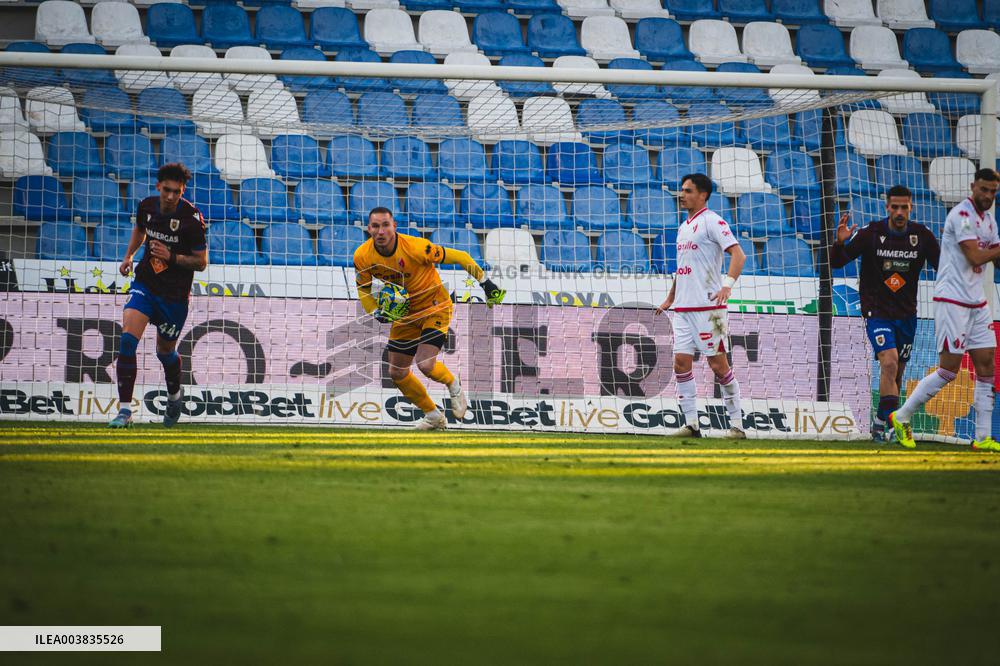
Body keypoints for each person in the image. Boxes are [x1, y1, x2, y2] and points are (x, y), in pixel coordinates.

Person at [353, 208, 506, 430]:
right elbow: (364, 289)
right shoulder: (362, 256)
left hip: (435, 306)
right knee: (397, 372)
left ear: (394, 226)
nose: (381, 231)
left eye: (385, 225)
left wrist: (486, 283)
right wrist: (375, 312)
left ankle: (453, 384)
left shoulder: (417, 247)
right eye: (375, 226)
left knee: (425, 364)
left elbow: (462, 257)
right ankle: (433, 415)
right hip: (405, 314)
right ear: (369, 229)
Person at [890, 168, 1000, 451]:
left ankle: (983, 437)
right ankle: (901, 417)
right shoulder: (961, 216)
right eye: (984, 189)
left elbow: (996, 260)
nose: (988, 195)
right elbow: (975, 256)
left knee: (987, 364)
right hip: (952, 301)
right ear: (973, 186)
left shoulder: (989, 221)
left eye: (993, 191)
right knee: (949, 370)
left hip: (977, 301)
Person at [830, 185, 940, 441]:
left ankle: (881, 422)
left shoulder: (922, 236)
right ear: (887, 207)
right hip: (876, 311)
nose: (899, 212)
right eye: (895, 207)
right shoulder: (871, 233)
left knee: (897, 373)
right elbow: (837, 262)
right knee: (889, 362)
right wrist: (840, 242)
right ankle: (890, 427)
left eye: (904, 207)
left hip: (907, 314)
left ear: (911, 207)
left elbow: (942, 266)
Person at [108, 163, 207, 428]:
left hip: (174, 297)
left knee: (165, 352)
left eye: (177, 191)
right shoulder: (147, 206)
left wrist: (171, 257)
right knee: (127, 340)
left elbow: (201, 262)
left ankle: (174, 395)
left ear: (182, 191)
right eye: (167, 190)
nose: (171, 196)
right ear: (158, 187)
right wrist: (129, 255)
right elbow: (140, 229)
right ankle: (125, 411)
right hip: (146, 284)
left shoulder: (192, 220)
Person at [655, 173, 747, 438]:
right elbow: (682, 268)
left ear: (703, 194)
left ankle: (737, 426)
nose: (682, 195)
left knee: (719, 366)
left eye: (688, 190)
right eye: (682, 190)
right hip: (683, 310)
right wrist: (670, 298)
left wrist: (727, 284)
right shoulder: (683, 227)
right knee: (681, 364)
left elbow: (739, 255)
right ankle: (692, 424)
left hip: (709, 310)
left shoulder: (713, 221)